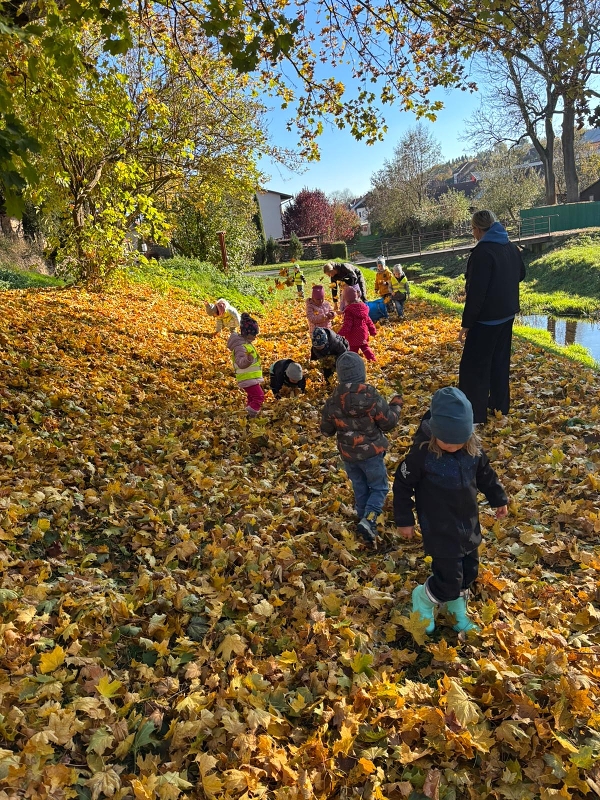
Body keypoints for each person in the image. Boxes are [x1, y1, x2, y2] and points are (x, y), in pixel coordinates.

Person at [393, 387, 508, 634]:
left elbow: (486, 476)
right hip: (439, 528)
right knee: (448, 579)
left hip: (468, 525)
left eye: (460, 441)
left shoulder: (472, 451)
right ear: (435, 433)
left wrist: (498, 498)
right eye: (448, 442)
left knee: (469, 574)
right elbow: (402, 485)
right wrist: (405, 519)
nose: (454, 447)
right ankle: (423, 598)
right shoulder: (422, 454)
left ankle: (456, 610)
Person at [321, 352, 403, 547]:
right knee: (379, 486)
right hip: (372, 453)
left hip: (349, 455)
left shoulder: (333, 400)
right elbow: (388, 423)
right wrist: (396, 407)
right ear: (362, 373)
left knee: (359, 485)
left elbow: (326, 430)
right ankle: (371, 518)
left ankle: (362, 518)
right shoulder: (371, 396)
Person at [458, 210, 526, 424]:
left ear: (478, 230)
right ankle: (499, 406)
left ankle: (475, 416)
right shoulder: (510, 246)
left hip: (485, 321)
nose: (474, 235)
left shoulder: (482, 253)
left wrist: (466, 324)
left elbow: (476, 294)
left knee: (474, 368)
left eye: (473, 231)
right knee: (499, 362)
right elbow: (522, 274)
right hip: (507, 316)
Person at [227, 313, 264, 417]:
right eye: (254, 334)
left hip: (251, 377)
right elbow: (240, 362)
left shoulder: (246, 343)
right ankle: (250, 414)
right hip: (247, 377)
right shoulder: (240, 346)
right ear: (247, 334)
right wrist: (248, 360)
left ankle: (248, 411)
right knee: (259, 396)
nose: (255, 336)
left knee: (252, 397)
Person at [338, 285, 377, 361]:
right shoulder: (363, 308)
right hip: (363, 334)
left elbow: (347, 326)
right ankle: (372, 360)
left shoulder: (349, 311)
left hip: (353, 336)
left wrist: (339, 335)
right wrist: (373, 331)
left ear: (346, 300)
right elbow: (369, 321)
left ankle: (353, 363)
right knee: (365, 347)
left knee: (352, 351)